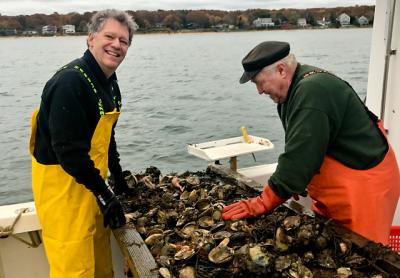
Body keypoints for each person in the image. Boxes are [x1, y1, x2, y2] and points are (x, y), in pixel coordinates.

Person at [222, 41, 400, 245]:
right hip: (337, 181)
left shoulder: (311, 91)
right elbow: (306, 146)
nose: (259, 91)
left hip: (364, 185)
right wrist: (299, 181)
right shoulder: (288, 94)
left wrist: (261, 203)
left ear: (281, 70)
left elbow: (298, 159)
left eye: (258, 82)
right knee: (332, 247)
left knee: (364, 254)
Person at [29, 9, 136, 277]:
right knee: (74, 269)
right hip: (63, 194)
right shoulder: (70, 82)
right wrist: (105, 194)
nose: (116, 45)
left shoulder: (108, 81)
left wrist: (117, 177)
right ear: (90, 39)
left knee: (100, 266)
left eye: (123, 41)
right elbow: (68, 152)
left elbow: (107, 135)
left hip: (90, 188)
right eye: (109, 36)